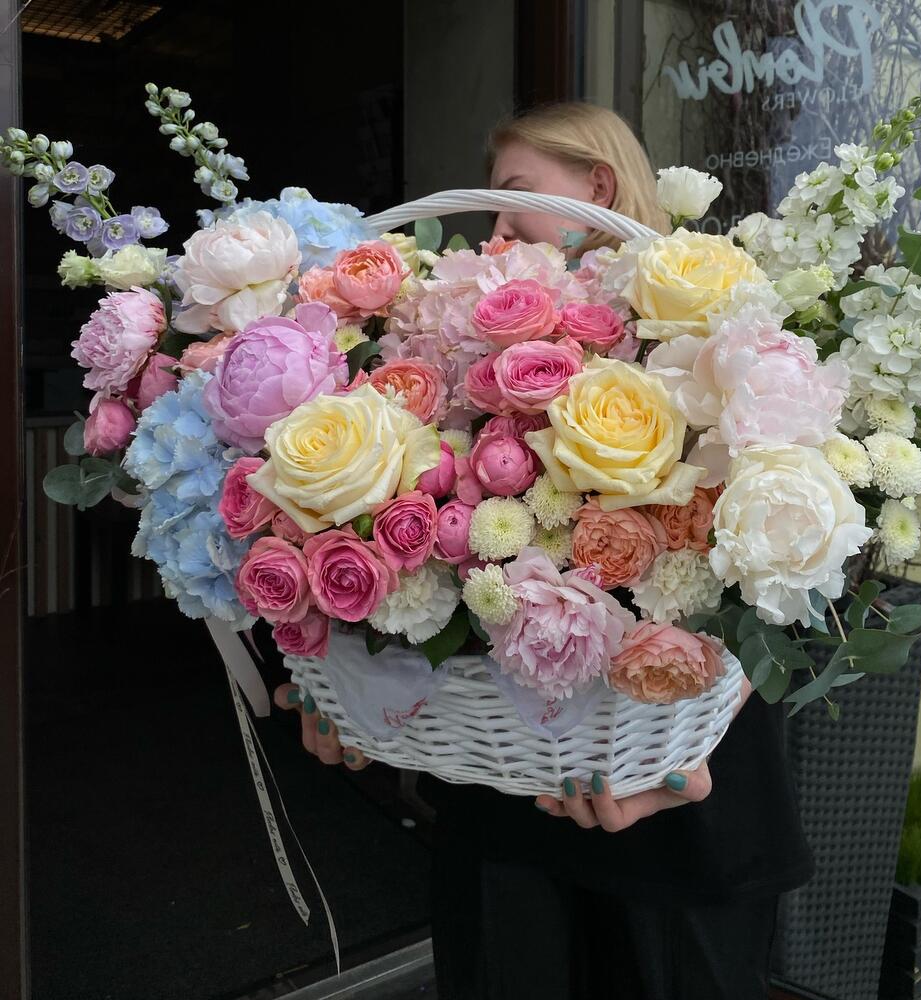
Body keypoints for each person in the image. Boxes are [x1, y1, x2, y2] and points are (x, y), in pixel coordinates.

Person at [274, 101, 815, 999]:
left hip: (679, 809)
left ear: (596, 185)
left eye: (514, 192)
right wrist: (361, 693)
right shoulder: (462, 343)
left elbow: (801, 579)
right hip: (506, 812)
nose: (494, 225)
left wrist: (695, 736)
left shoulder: (720, 334)